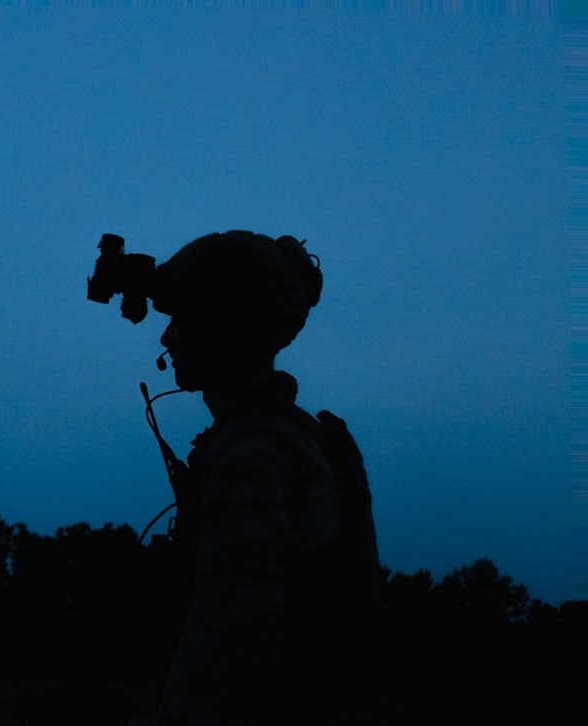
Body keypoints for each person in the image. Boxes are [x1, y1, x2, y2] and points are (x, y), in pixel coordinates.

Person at [141, 231, 382, 724]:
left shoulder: (252, 452)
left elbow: (233, 643)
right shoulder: (279, 436)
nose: (167, 337)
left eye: (180, 318)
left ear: (218, 322)